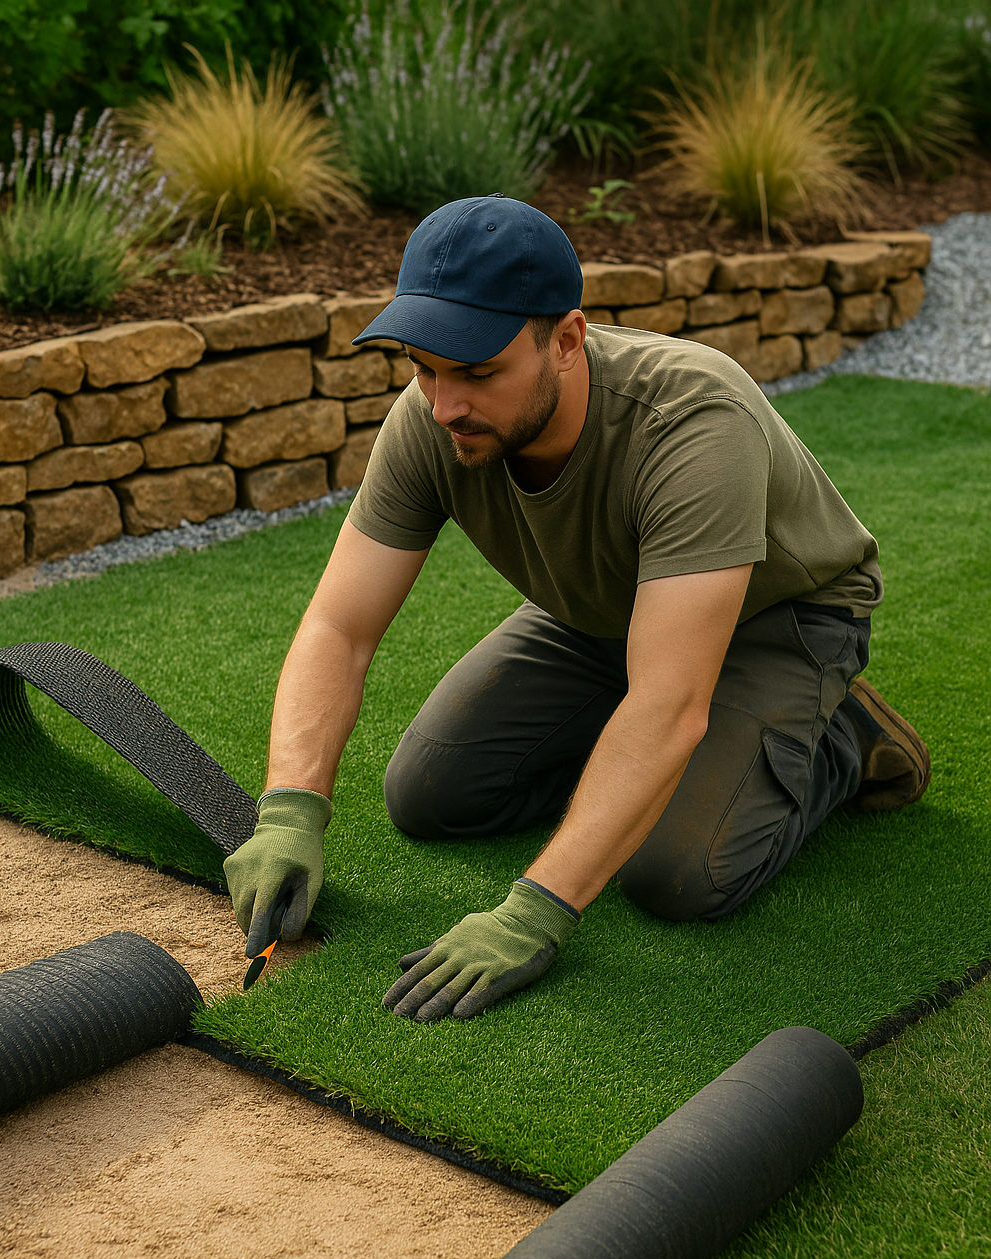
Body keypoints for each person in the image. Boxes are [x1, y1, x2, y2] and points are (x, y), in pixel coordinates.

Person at [224, 195, 930, 1022]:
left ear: (565, 340)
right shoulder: (431, 421)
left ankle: (841, 734)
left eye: (478, 371)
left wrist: (535, 910)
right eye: (423, 366)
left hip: (780, 619)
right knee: (431, 796)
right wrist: (290, 810)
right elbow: (338, 629)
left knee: (678, 876)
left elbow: (669, 704)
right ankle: (634, 761)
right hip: (603, 612)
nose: (444, 402)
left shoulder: (694, 421)